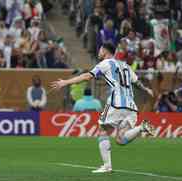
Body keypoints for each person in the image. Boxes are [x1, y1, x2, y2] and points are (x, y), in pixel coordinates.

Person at [51, 42, 155, 173]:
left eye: (100, 49)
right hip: (131, 106)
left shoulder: (105, 64)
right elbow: (137, 82)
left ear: (105, 51)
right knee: (121, 139)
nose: (99, 51)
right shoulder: (126, 66)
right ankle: (142, 128)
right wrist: (147, 89)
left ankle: (107, 166)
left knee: (103, 130)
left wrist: (65, 82)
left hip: (116, 103)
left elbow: (87, 76)